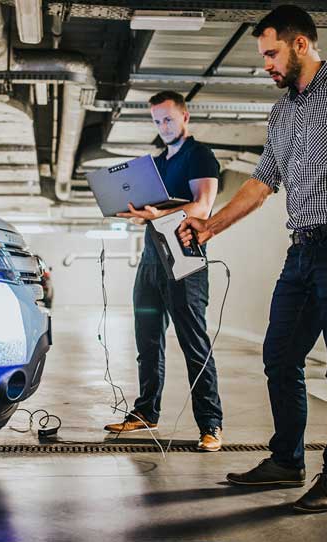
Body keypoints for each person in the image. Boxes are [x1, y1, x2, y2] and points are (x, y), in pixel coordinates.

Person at [179, 5, 327, 512]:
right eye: (264, 56)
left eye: (271, 53)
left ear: (301, 44)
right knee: (279, 357)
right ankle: (287, 460)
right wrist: (209, 225)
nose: (266, 65)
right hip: (302, 250)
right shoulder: (282, 113)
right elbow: (262, 184)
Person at [103, 90, 225, 452]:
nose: (163, 126)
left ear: (185, 116)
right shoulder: (155, 163)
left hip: (186, 258)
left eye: (169, 119)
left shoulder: (199, 155)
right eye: (157, 121)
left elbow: (203, 206)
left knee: (194, 344)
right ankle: (145, 413)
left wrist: (160, 215)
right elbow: (151, 209)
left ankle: (211, 424)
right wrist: (133, 210)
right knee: (148, 340)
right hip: (152, 259)